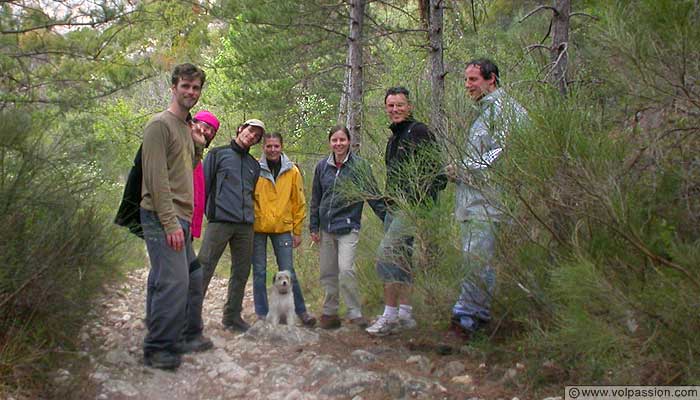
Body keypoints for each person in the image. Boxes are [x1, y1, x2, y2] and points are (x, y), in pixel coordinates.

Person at [446, 58, 527, 340]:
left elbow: (505, 152)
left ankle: (468, 320)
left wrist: (465, 169)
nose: (467, 86)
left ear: (491, 79)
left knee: (477, 259)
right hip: (473, 202)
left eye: (473, 80)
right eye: (466, 80)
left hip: (489, 202)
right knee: (474, 258)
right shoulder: (483, 113)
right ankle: (472, 318)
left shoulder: (504, 110)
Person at [139, 63, 207, 370]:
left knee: (186, 277)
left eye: (195, 88)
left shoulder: (185, 127)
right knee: (174, 281)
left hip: (178, 214)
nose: (191, 92)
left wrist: (198, 146)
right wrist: (169, 223)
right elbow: (155, 179)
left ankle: (168, 335)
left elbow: (185, 169)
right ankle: (158, 348)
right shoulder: (159, 125)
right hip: (160, 214)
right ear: (173, 88)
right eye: (185, 86)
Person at [366, 87, 446, 337]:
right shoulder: (394, 138)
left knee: (387, 254)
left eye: (400, 105)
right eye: (390, 106)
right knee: (401, 258)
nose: (395, 109)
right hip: (394, 207)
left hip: (412, 207)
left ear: (409, 106)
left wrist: (422, 204)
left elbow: (438, 173)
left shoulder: (419, 131)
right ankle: (405, 314)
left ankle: (388, 316)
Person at [310, 125, 386, 330]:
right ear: (330, 143)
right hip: (326, 227)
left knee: (346, 270)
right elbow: (316, 198)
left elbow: (373, 195)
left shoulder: (360, 166)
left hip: (348, 225)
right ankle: (330, 312)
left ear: (349, 141)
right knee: (328, 272)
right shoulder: (322, 167)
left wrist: (388, 219)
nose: (338, 144)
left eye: (342, 140)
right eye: (334, 140)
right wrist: (313, 226)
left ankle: (355, 312)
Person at [199, 119, 265, 332]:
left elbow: (251, 193)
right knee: (204, 267)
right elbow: (203, 187)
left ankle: (232, 316)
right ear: (240, 129)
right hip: (219, 222)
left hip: (245, 225)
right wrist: (197, 219)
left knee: (241, 271)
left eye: (256, 136)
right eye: (250, 131)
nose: (251, 136)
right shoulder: (217, 154)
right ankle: (189, 316)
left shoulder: (254, 165)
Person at [251, 132, 316, 327]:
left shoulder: (292, 171)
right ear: (263, 147)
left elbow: (299, 202)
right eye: (269, 146)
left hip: (283, 227)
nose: (272, 150)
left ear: (282, 146)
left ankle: (301, 311)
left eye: (276, 146)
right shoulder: (255, 168)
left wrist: (297, 231)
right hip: (258, 226)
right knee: (259, 271)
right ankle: (262, 314)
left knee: (289, 272)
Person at [175, 110, 221, 355]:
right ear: (193, 124)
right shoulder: (181, 150)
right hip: (172, 222)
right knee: (186, 279)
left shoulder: (197, 156)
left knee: (185, 277)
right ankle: (182, 334)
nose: (206, 131)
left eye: (211, 130)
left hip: (185, 226)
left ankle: (183, 330)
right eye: (204, 126)